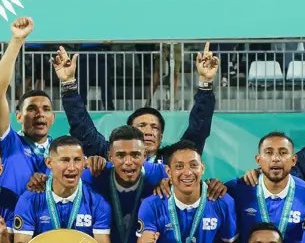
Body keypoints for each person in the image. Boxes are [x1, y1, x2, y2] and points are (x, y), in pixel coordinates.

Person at [56, 43, 216, 165]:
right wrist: (68, 85)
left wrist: (206, 83)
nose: (148, 131)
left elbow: (198, 131)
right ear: (128, 132)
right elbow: (82, 129)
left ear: (161, 137)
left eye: (155, 128)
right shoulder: (109, 155)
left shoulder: (172, 161)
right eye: (142, 126)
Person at [0, 17, 55, 195]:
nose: (40, 114)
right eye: (32, 109)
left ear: (53, 118)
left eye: (46, 109)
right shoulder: (9, 142)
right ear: (18, 116)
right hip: (7, 221)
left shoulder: (61, 151)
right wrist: (17, 40)